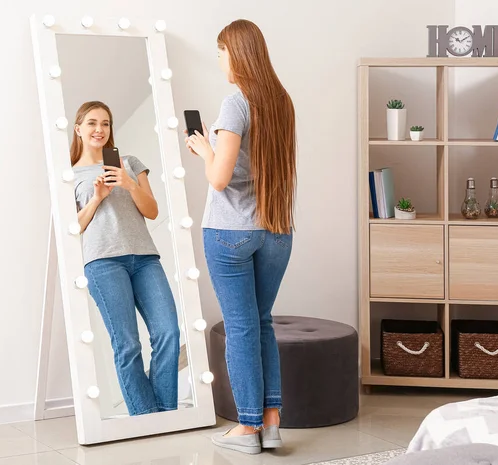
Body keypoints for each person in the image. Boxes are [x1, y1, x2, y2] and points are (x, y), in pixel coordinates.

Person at [185, 19, 297, 454]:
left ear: (236, 53)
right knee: (261, 322)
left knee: (242, 328)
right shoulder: (281, 102)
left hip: (231, 232)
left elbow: (219, 178)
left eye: (220, 51)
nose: (219, 60)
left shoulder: (236, 103)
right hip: (276, 231)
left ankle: (247, 429)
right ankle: (271, 422)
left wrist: (203, 149)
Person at [71, 100, 180, 416]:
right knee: (128, 346)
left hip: (145, 259)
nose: (99, 130)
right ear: (79, 129)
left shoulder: (129, 162)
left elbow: (152, 210)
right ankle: (149, 420)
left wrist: (129, 184)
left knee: (168, 333)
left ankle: (163, 416)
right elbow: (72, 227)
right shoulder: (69, 175)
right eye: (92, 123)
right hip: (104, 262)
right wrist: (96, 200)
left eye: (105, 123)